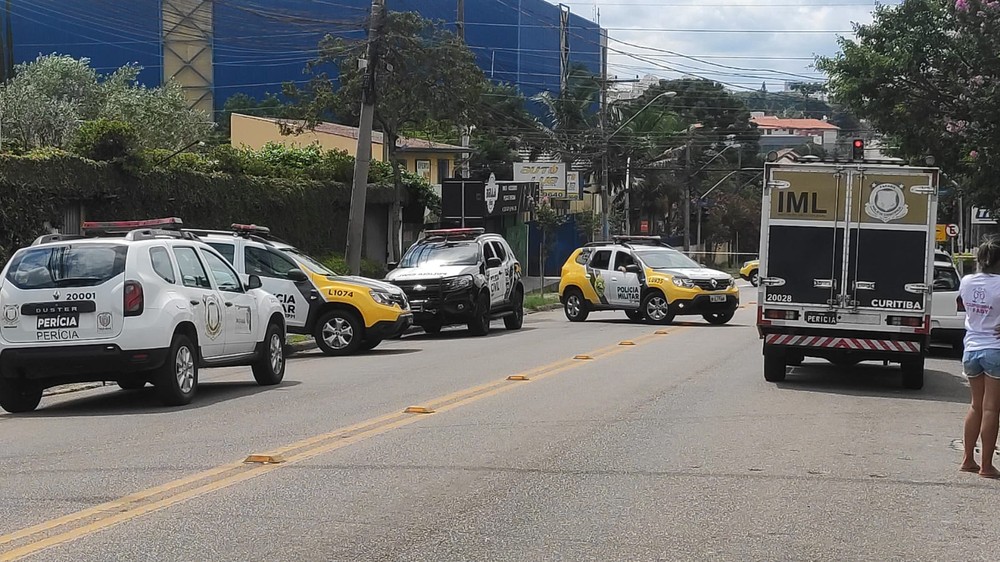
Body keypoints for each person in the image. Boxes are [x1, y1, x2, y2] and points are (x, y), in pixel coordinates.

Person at [960, 236, 1000, 478]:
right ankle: (986, 465)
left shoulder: (966, 281)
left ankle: (967, 459)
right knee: (992, 409)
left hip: (971, 348)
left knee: (976, 405)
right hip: (995, 349)